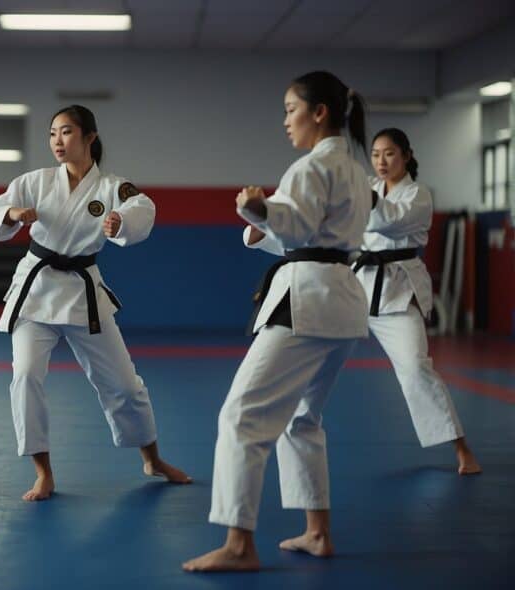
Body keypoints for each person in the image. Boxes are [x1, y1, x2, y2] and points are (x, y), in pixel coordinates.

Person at [183, 71, 371, 571]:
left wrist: (259, 208)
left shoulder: (311, 167)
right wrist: (267, 216)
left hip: (308, 300)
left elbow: (298, 222)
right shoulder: (355, 168)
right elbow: (321, 231)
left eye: (291, 109)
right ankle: (317, 532)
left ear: (320, 112)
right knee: (302, 418)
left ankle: (239, 545)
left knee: (241, 416)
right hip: (343, 301)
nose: (286, 120)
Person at [0, 104, 192, 502]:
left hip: (83, 294)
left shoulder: (112, 186)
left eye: (66, 133)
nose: (57, 141)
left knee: (125, 385)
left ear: (89, 137)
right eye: (52, 134)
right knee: (25, 376)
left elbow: (142, 206)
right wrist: (11, 213)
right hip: (37, 289)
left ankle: (152, 458)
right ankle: (42, 472)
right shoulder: (35, 180)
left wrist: (121, 223)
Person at [356, 127, 481, 474]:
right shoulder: (366, 187)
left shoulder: (418, 195)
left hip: (397, 289)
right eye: (376, 154)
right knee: (308, 352)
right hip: (355, 286)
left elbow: (389, 222)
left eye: (390, 153)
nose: (381, 161)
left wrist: (358, 193)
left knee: (414, 369)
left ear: (407, 156)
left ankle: (461, 449)